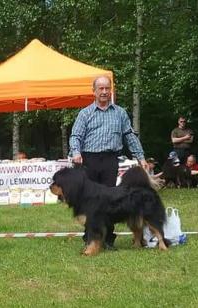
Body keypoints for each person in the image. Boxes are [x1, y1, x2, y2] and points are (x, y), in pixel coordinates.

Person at [69, 76, 148, 250]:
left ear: (111, 90)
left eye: (107, 88)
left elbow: (129, 136)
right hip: (89, 160)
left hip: (110, 161)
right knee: (90, 202)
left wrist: (140, 157)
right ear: (94, 91)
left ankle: (107, 239)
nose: (104, 92)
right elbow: (75, 136)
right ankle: (90, 237)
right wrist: (76, 153)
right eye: (101, 89)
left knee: (109, 201)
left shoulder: (120, 113)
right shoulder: (85, 113)